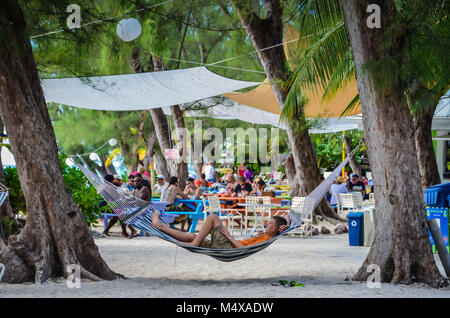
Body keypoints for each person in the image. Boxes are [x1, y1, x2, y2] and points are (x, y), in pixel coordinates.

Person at [152, 210, 289, 248]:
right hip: (226, 245)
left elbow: (242, 249)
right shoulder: (266, 235)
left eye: (271, 224)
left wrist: (229, 236)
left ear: (276, 229)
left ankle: (194, 244)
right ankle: (161, 226)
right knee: (193, 236)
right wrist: (286, 225)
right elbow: (287, 215)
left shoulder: (267, 238)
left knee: (212, 217)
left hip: (229, 247)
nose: (267, 225)